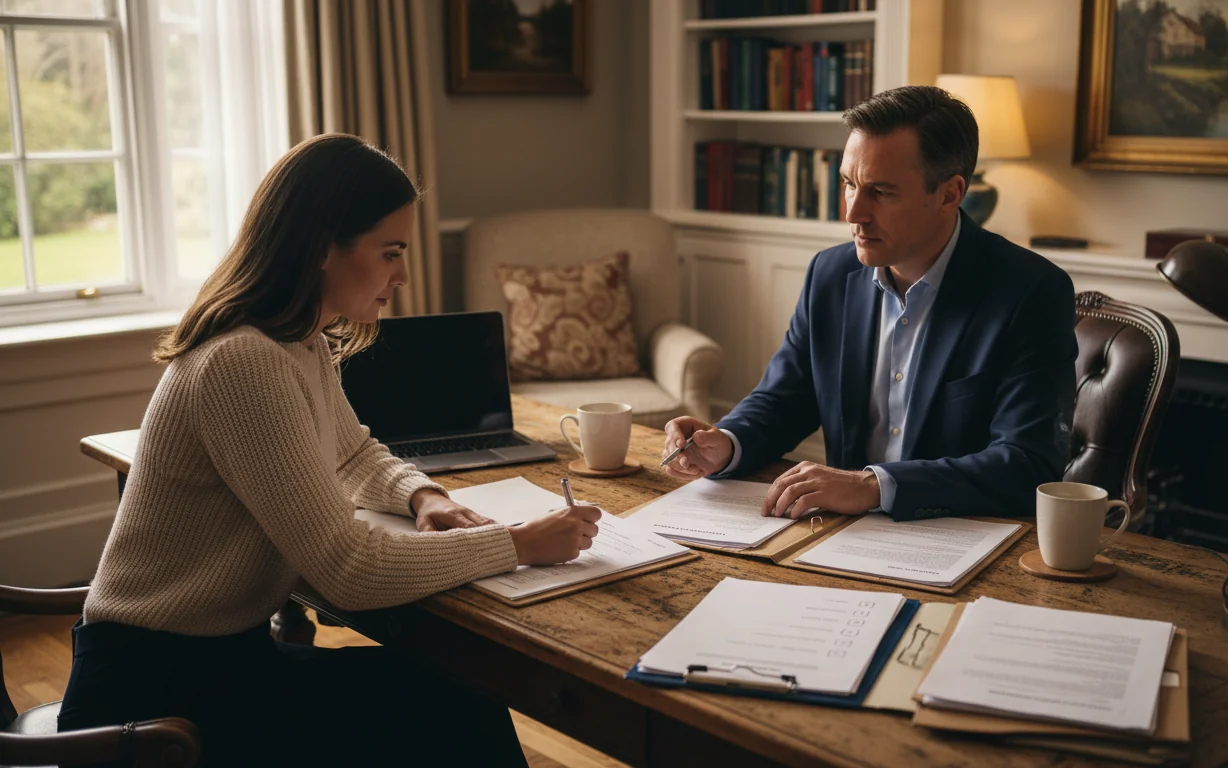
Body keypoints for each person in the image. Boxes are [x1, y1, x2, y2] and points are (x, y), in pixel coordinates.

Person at [58, 134, 598, 766]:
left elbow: (351, 455)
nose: (402, 275)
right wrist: (518, 544)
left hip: (217, 660)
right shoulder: (243, 362)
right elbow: (349, 570)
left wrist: (423, 496)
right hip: (152, 699)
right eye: (390, 252)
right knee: (459, 709)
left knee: (455, 700)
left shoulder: (297, 341)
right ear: (320, 247)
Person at [663, 86, 1078, 522]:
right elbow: (785, 399)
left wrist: (873, 486)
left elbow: (1027, 463)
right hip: (841, 535)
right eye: (848, 184)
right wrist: (726, 443)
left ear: (949, 194)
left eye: (880, 192)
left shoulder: (1031, 291)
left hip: (962, 538)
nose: (853, 213)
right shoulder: (829, 274)